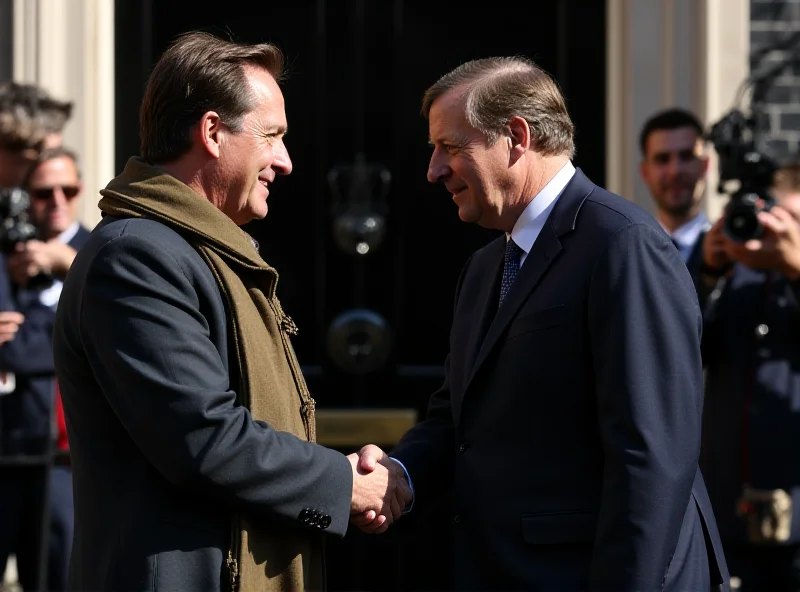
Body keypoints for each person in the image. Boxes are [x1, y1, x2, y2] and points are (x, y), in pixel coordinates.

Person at [51, 31, 410, 591]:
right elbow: (203, 437)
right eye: (272, 137)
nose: (286, 162)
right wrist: (344, 483)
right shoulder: (137, 256)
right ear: (213, 132)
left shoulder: (202, 251)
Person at [354, 56, 729, 591]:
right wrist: (400, 475)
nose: (433, 170)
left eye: (451, 147)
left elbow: (652, 457)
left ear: (516, 136)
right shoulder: (485, 268)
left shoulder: (623, 245)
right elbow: (457, 417)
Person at [697, 160, 800, 591]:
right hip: (729, 513)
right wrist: (706, 271)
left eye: (792, 221)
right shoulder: (736, 282)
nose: (777, 232)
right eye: (773, 218)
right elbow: (683, 348)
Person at [0, 82, 77, 592]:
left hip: (58, 456)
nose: (44, 178)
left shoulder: (74, 249)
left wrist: (67, 263)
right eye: (39, 153)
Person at [639, 107, 711, 269]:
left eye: (686, 157)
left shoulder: (735, 253)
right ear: (645, 172)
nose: (675, 171)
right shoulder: (631, 254)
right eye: (662, 159)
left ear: (705, 165)